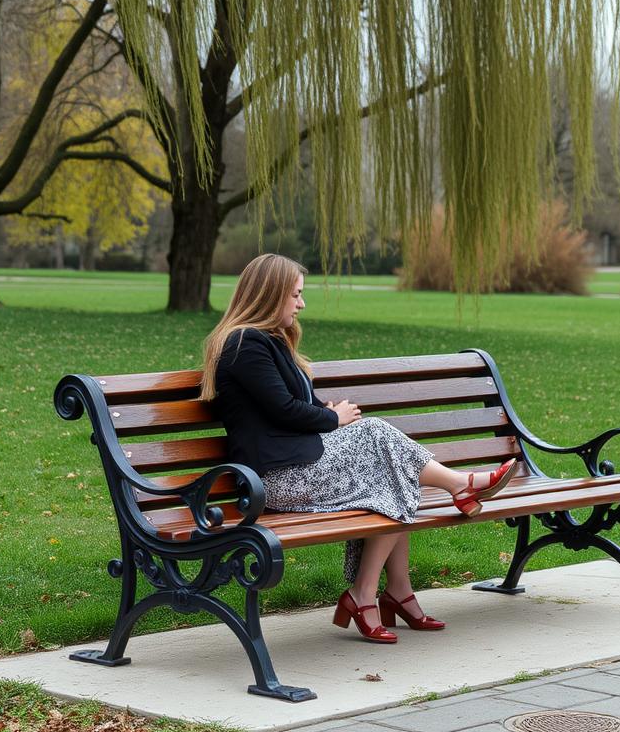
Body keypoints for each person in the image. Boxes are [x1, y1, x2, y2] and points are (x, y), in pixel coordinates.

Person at [201, 254, 518, 644]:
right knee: (376, 440)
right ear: (270, 295)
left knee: (391, 473)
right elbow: (283, 410)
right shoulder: (244, 344)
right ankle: (459, 487)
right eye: (295, 295)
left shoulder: (269, 341)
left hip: (296, 465)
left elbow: (299, 404)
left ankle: (390, 591)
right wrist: (334, 420)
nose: (301, 304)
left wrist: (325, 413)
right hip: (273, 480)